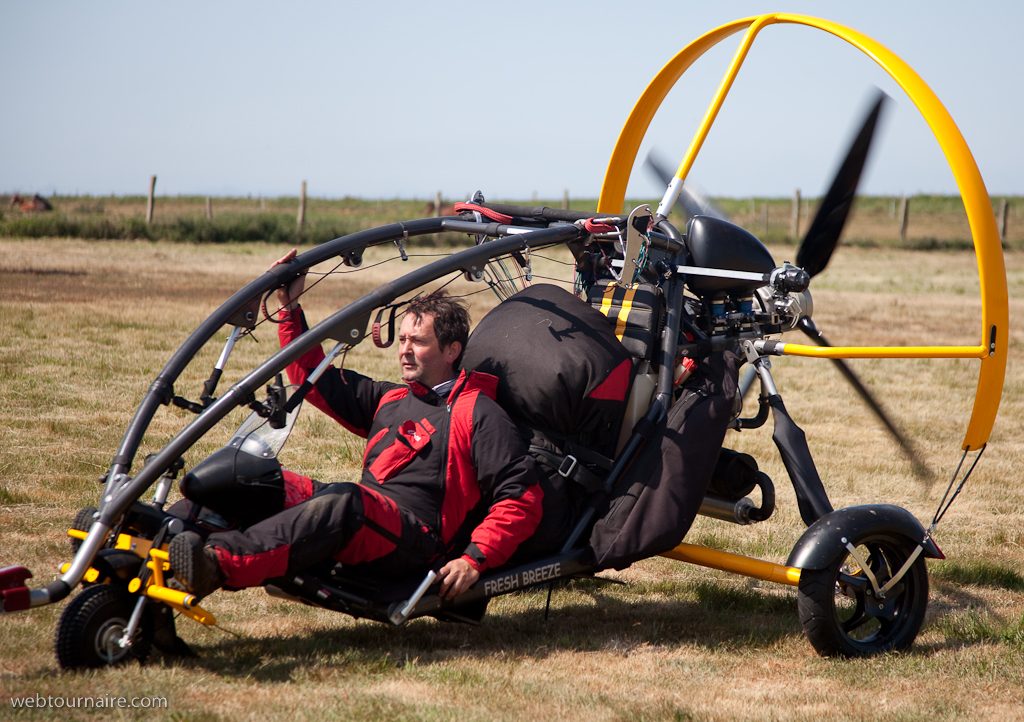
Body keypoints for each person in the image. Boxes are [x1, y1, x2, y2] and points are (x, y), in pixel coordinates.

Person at [169, 250, 546, 602]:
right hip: (366, 520)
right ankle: (156, 536)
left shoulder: (477, 412)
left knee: (347, 501)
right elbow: (311, 379)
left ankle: (216, 564)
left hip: (415, 541)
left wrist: (474, 558)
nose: (404, 350)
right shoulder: (391, 398)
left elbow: (521, 498)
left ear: (452, 351)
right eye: (402, 340)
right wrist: (289, 307)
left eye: (418, 341)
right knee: (259, 479)